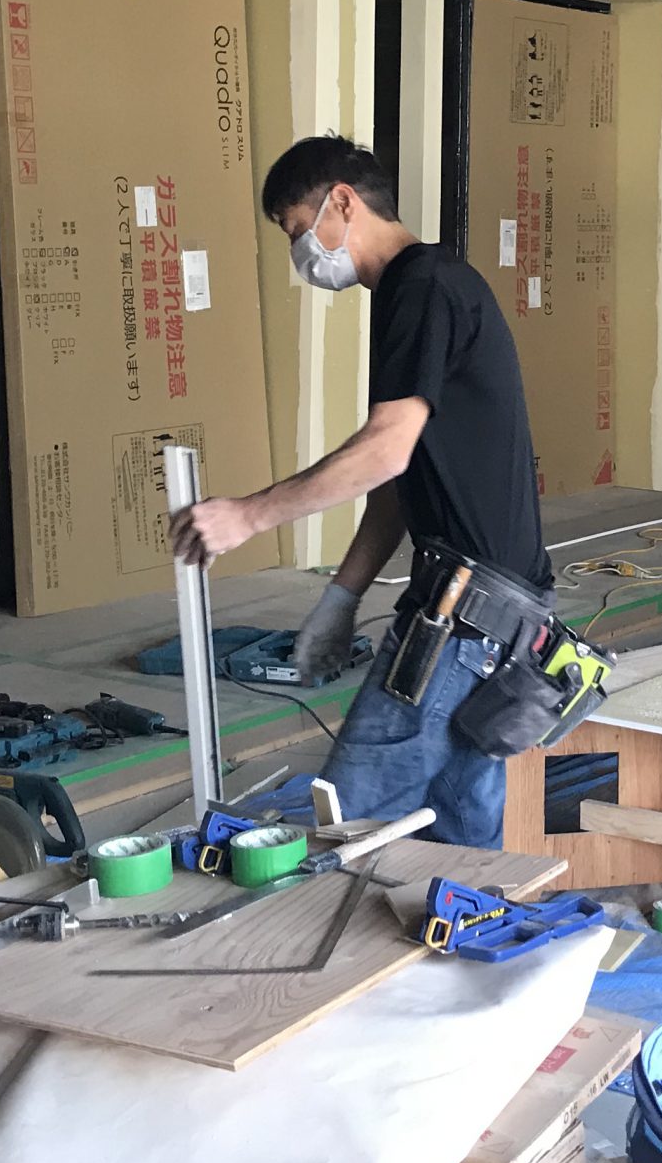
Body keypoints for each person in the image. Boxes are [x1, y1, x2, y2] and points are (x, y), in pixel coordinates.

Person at [168, 134, 549, 847]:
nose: (301, 253)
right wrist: (342, 598)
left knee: (347, 825)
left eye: (297, 230)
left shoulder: (422, 287)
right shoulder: (427, 286)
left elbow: (384, 449)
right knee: (459, 834)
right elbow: (402, 479)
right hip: (495, 617)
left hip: (466, 618)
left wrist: (249, 515)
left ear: (342, 202)